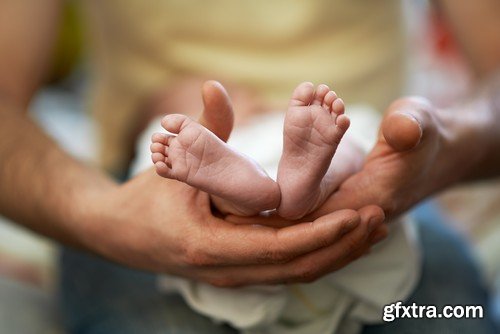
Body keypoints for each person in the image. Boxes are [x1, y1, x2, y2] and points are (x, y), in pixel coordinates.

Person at [0, 0, 499, 332]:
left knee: (192, 146)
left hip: (386, 179)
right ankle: (292, 185)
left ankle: (247, 189)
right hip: (153, 204)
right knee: (448, 306)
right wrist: (98, 212)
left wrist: (449, 139)